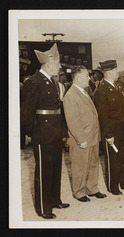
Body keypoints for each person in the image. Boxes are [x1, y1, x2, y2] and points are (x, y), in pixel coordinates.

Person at [20, 43, 69, 219]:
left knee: (56, 167)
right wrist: (33, 133)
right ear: (48, 65)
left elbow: (57, 110)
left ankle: (55, 200)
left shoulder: (53, 82)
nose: (60, 67)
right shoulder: (34, 82)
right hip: (42, 132)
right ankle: (43, 207)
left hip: (55, 131)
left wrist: (62, 131)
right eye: (57, 64)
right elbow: (26, 112)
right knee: (44, 169)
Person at [93, 60, 124, 195]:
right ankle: (113, 186)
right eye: (115, 70)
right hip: (112, 131)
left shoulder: (120, 86)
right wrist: (108, 135)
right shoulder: (101, 91)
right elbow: (103, 116)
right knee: (113, 158)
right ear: (109, 72)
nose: (117, 72)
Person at [63, 65, 107, 202]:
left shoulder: (83, 91)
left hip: (92, 136)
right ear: (78, 78)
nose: (89, 78)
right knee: (80, 166)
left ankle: (92, 188)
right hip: (81, 138)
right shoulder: (71, 95)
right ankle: (79, 192)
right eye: (86, 76)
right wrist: (81, 138)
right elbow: (72, 120)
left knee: (92, 164)